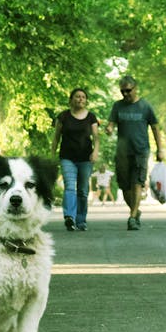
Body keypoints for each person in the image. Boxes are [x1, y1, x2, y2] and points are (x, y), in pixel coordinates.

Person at [105, 75, 164, 230]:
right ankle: (135, 211)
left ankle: (132, 218)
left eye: (128, 91)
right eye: (122, 91)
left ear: (135, 88)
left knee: (137, 182)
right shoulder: (117, 106)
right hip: (122, 153)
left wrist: (160, 149)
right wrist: (109, 128)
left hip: (140, 150)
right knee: (124, 187)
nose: (125, 94)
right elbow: (111, 123)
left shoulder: (145, 106)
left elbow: (155, 128)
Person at [51, 87, 99, 231]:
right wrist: (53, 155)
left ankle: (81, 220)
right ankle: (69, 217)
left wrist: (95, 152)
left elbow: (96, 137)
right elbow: (56, 137)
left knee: (83, 190)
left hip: (85, 158)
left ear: (86, 100)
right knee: (70, 187)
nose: (80, 99)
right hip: (67, 157)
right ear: (71, 100)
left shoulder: (91, 117)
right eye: (77, 97)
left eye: (83, 97)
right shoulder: (63, 116)